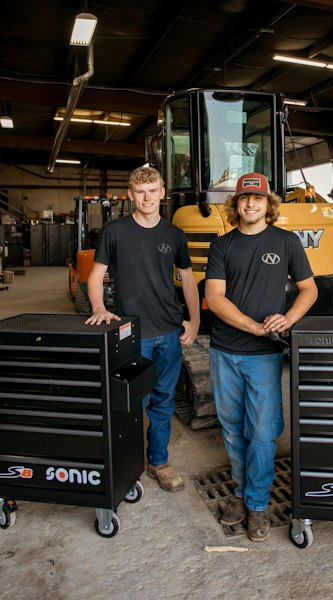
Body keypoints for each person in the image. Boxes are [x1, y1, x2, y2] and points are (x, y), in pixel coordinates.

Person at [205, 172, 318, 541]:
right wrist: (253, 326)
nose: (250, 204)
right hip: (224, 351)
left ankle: (256, 504)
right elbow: (216, 298)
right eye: (244, 199)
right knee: (233, 428)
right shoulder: (222, 246)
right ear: (235, 205)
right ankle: (241, 493)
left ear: (268, 205)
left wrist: (289, 317)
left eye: (257, 199)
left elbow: (308, 289)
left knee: (264, 432)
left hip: (264, 356)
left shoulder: (286, 242)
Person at [86, 166, 200, 493]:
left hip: (169, 332)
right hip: (132, 334)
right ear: (131, 194)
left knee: (163, 401)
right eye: (140, 191)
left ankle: (159, 462)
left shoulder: (174, 235)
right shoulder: (114, 231)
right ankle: (128, 461)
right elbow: (95, 276)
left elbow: (188, 279)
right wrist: (99, 308)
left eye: (152, 190)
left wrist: (194, 320)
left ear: (162, 192)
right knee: (131, 403)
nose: (147, 197)